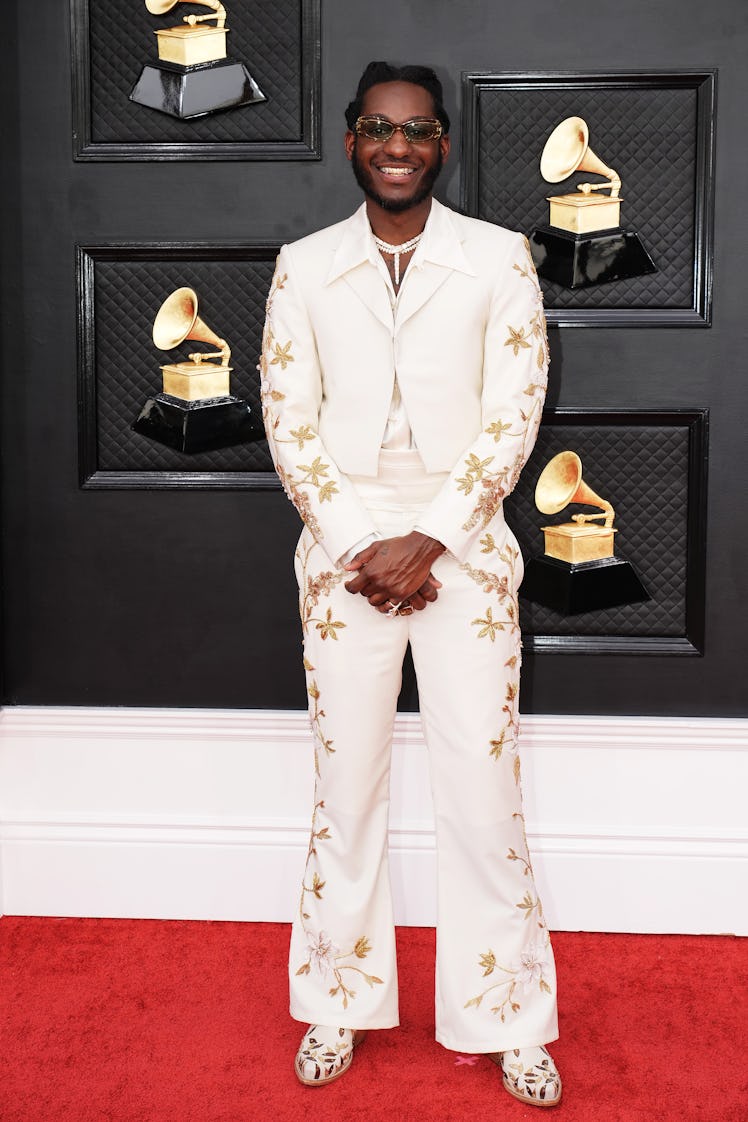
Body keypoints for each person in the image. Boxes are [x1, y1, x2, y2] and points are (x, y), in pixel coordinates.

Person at [260, 61, 561, 1108]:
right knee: (347, 796)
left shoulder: (498, 258)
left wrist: (428, 540)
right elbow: (289, 421)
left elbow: (512, 413)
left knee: (482, 799)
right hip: (341, 558)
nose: (398, 146)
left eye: (418, 129)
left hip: (465, 554)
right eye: (379, 128)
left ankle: (510, 1017)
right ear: (352, 140)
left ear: (441, 144)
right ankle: (336, 1003)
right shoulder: (303, 266)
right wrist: (359, 545)